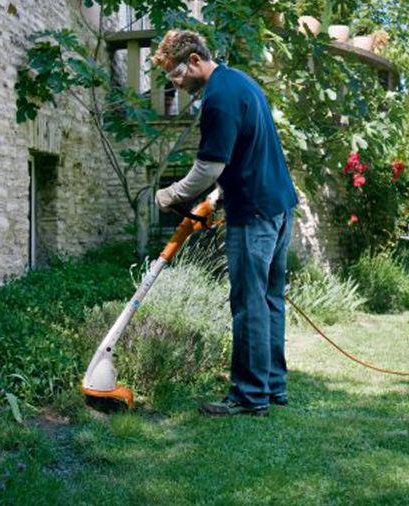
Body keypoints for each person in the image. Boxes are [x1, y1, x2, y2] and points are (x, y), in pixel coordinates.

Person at [151, 30, 299, 416]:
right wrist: (217, 195)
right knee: (269, 300)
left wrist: (172, 195)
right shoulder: (240, 82)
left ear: (196, 60)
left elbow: (209, 166)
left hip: (253, 214)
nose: (176, 83)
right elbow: (246, 150)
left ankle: (249, 396)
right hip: (279, 206)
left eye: (177, 74)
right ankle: (272, 387)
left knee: (249, 303)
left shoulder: (216, 98)